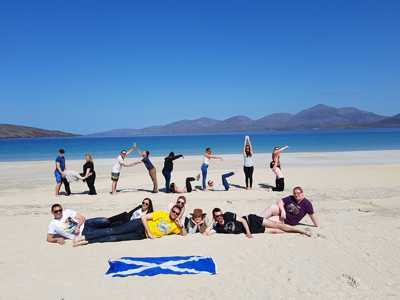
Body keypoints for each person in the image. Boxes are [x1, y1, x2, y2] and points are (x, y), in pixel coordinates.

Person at [73, 205, 186, 246]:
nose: (174, 213)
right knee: (113, 231)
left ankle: (88, 241)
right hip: (139, 225)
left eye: (177, 213)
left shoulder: (175, 225)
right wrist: (150, 233)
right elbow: (143, 217)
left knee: (115, 238)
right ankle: (84, 237)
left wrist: (180, 225)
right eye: (173, 211)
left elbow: (183, 234)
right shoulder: (162, 214)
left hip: (141, 236)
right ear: (171, 210)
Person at [206, 208, 311, 238]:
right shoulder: (218, 228)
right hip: (253, 230)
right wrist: (212, 221)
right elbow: (207, 233)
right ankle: (295, 232)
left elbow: (242, 220)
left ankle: (301, 230)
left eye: (220, 215)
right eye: (217, 216)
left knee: (277, 225)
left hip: (251, 220)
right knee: (275, 231)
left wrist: (248, 233)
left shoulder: (228, 215)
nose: (219, 217)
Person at [47, 204, 117, 245]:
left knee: (104, 220)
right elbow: (49, 238)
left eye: (60, 210)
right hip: (83, 234)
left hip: (86, 224)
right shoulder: (53, 224)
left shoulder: (67, 212)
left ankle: (121, 220)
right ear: (52, 212)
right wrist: (57, 239)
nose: (59, 212)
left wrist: (78, 226)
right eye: (56, 211)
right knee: (106, 231)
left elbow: (82, 218)